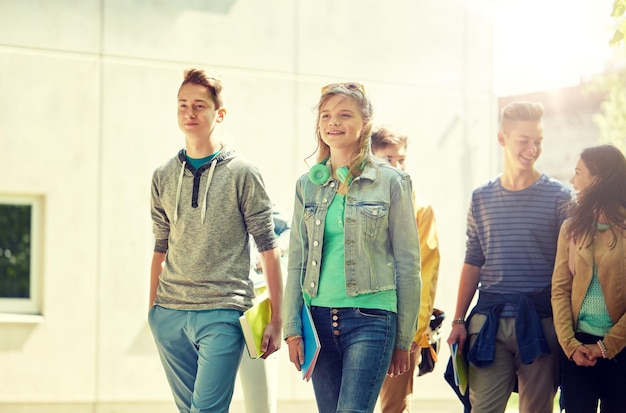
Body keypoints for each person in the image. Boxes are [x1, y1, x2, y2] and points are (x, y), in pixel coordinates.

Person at [147, 68, 283, 413]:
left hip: (223, 312)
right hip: (170, 315)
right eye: (182, 106)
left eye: (199, 106)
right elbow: (160, 246)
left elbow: (268, 247)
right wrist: (153, 312)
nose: (189, 113)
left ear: (218, 114)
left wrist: (277, 319)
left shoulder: (244, 173)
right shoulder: (163, 175)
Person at [282, 82, 422, 413]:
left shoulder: (392, 182)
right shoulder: (307, 186)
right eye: (326, 115)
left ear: (365, 122)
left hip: (371, 318)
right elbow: (296, 262)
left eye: (345, 115)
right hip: (316, 319)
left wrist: (404, 339)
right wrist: (292, 328)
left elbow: (408, 264)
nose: (334, 122)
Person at [446, 101, 572, 413]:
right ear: (502, 138)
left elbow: (570, 266)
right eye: (524, 141)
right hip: (488, 321)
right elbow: (473, 260)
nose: (532, 149)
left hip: (541, 322)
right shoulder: (481, 197)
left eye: (538, 142)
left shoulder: (560, 197)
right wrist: (459, 319)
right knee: (483, 408)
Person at [371, 125, 441, 413]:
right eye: (388, 159)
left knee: (395, 407)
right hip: (359, 320)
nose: (397, 167)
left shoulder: (419, 208)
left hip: (403, 326)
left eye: (401, 160)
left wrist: (415, 330)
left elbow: (427, 272)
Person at [551, 144, 626, 413]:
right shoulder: (570, 228)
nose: (572, 181)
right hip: (577, 350)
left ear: (597, 180)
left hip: (621, 350)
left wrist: (606, 347)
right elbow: (559, 290)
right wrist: (570, 346)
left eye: (578, 172)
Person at [238, 206, 290, 413]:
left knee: (259, 402)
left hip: (255, 304)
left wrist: (271, 250)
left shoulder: (250, 189)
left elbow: (292, 229)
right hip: (214, 304)